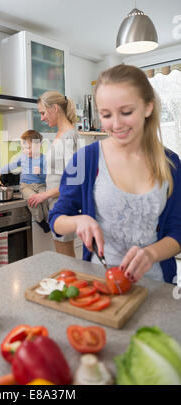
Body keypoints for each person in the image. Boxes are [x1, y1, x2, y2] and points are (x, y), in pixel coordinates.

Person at [49, 64, 181, 283]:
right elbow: (57, 218)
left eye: (126, 112)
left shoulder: (171, 163)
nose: (116, 124)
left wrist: (151, 254)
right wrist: (78, 221)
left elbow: (177, 231)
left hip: (156, 285)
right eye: (106, 114)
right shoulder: (85, 159)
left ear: (148, 107)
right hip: (100, 282)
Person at [28, 90, 81, 257]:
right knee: (62, 255)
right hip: (55, 204)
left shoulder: (69, 137)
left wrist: (44, 195)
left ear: (55, 108)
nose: (42, 118)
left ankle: (71, 282)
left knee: (65, 256)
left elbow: (73, 180)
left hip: (63, 204)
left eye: (43, 113)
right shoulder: (59, 135)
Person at [0, 129, 50, 233]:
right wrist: (0, 171)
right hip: (26, 186)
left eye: (28, 148)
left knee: (45, 200)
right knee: (34, 201)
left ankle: (49, 220)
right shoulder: (23, 157)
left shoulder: (43, 158)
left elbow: (45, 176)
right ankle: (41, 222)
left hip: (41, 185)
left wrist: (40, 173)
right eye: (23, 148)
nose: (25, 150)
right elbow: (12, 165)